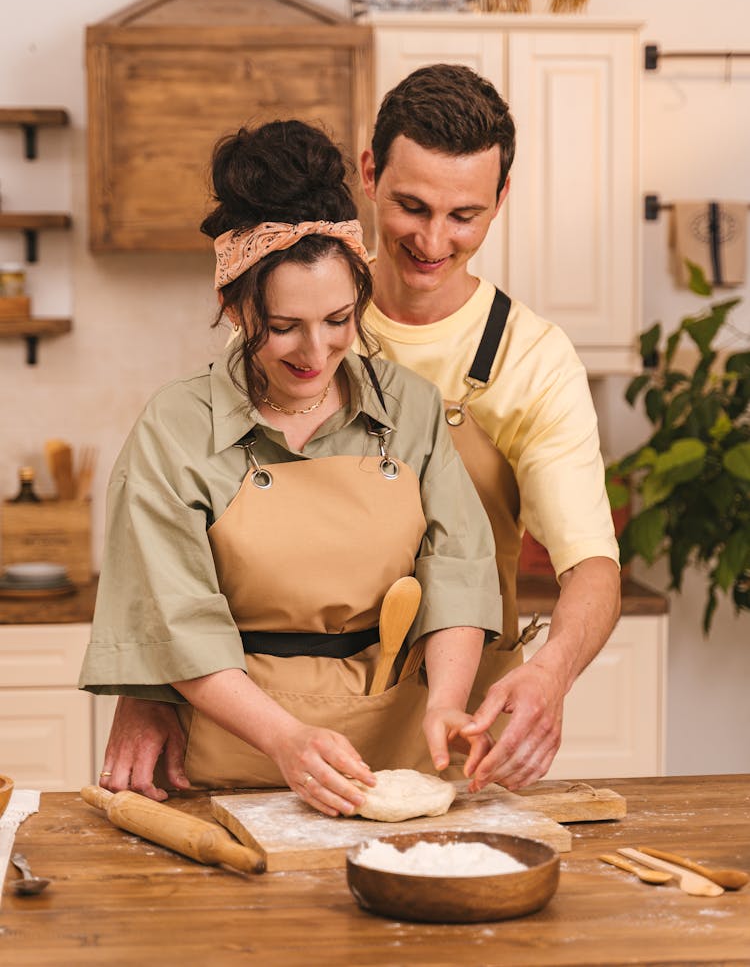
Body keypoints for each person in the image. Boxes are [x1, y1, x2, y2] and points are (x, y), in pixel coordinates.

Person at [95, 64, 621, 802]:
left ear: (501, 201)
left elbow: (519, 566)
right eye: (411, 205)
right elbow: (176, 590)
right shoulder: (268, 323)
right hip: (240, 750)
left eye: (464, 215)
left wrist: (537, 675)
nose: (434, 239)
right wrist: (149, 682)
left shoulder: (496, 372)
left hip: (427, 733)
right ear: (241, 312)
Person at [80, 119, 503, 817]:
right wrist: (285, 739)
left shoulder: (413, 409)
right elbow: (176, 619)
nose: (317, 350)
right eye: (284, 327)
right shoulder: (176, 430)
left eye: (339, 318)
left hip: (397, 759)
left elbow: (457, 571)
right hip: (232, 765)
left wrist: (451, 706)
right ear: (233, 304)